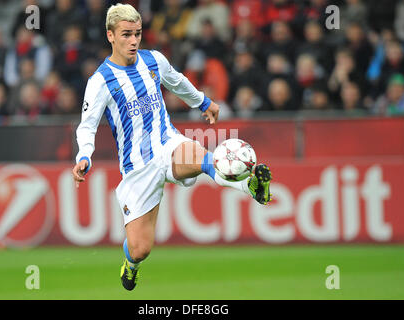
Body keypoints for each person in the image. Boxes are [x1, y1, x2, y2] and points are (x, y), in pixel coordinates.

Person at [71, 4, 273, 291]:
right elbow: (87, 126)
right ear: (111, 36)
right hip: (138, 168)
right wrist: (84, 156)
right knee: (141, 248)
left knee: (209, 160)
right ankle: (131, 266)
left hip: (168, 143)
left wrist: (204, 102)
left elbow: (177, 82)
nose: (133, 41)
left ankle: (251, 186)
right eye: (126, 34)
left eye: (138, 34)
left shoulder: (153, 60)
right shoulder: (100, 81)